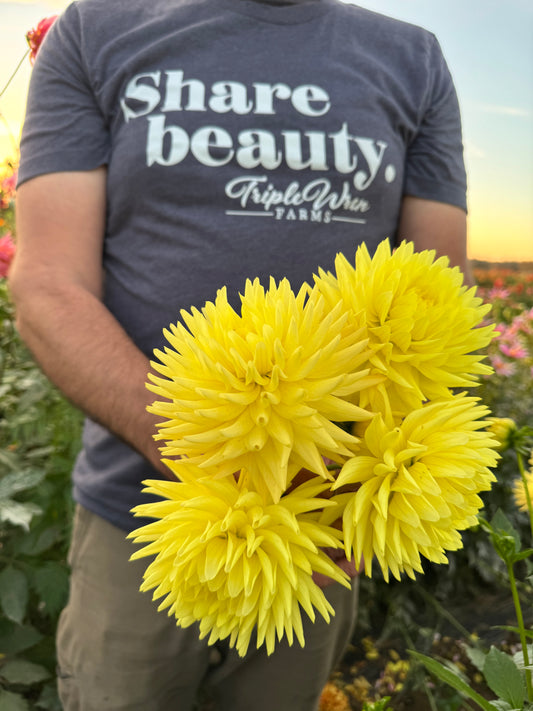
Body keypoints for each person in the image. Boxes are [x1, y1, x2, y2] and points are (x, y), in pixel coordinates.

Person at [9, 0, 472, 708]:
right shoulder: (96, 30)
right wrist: (209, 446)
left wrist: (353, 489)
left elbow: (439, 297)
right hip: (137, 523)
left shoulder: (413, 58)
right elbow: (47, 282)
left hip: (322, 540)